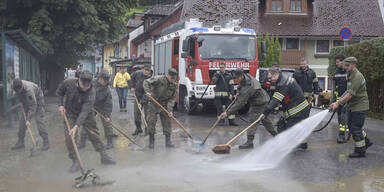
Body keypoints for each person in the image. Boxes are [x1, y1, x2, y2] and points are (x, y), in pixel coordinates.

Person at [56, 70, 116, 173]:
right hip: (70, 113)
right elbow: (60, 92)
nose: (85, 88)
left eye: (87, 86)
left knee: (94, 135)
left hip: (86, 114)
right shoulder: (69, 83)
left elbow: (85, 111)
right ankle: (75, 161)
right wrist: (60, 104)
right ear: (79, 80)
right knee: (70, 138)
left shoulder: (92, 92)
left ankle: (104, 156)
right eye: (83, 85)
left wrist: (76, 126)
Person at [220, 68, 277, 149]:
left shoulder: (248, 86)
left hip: (259, 103)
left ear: (241, 76)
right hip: (262, 100)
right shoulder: (246, 77)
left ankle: (249, 142)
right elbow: (241, 85)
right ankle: (276, 135)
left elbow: (240, 104)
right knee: (265, 120)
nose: (237, 79)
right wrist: (238, 93)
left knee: (252, 121)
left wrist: (227, 113)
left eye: (237, 78)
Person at [330, 57, 373, 158]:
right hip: (353, 106)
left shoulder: (357, 76)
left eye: (347, 65)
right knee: (351, 126)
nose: (345, 68)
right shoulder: (350, 74)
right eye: (345, 65)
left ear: (354, 65)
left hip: (360, 106)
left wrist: (338, 103)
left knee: (355, 128)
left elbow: (350, 95)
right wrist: (337, 101)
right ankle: (366, 141)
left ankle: (360, 151)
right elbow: (347, 91)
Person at [260, 68, 310, 150]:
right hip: (298, 108)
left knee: (289, 129)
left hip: (298, 110)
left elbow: (276, 100)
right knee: (281, 125)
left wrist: (265, 112)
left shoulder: (282, 83)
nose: (269, 80)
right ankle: (302, 144)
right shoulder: (282, 79)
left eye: (270, 78)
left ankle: (288, 147)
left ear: (276, 74)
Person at [78, 70, 115, 149]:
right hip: (91, 105)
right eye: (104, 80)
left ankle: (110, 142)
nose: (106, 82)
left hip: (102, 106)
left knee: (107, 123)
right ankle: (82, 142)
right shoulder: (91, 84)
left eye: (107, 80)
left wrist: (107, 115)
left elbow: (108, 103)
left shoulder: (107, 89)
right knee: (86, 122)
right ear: (100, 79)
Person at [143, 68, 177, 149]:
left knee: (167, 122)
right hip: (154, 103)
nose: (172, 80)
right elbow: (146, 82)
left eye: (174, 78)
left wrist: (170, 110)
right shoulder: (159, 79)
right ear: (167, 75)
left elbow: (172, 98)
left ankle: (168, 141)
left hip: (165, 104)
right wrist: (148, 92)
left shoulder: (174, 85)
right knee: (151, 121)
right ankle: (151, 141)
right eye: (171, 78)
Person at [11, 79, 49, 151]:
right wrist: (21, 101)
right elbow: (17, 94)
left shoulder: (29, 90)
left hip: (37, 100)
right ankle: (20, 142)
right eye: (17, 91)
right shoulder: (15, 86)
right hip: (25, 101)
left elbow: (33, 105)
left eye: (19, 90)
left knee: (39, 121)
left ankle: (46, 141)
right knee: (22, 122)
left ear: (22, 86)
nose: (17, 92)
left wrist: (28, 119)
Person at [129, 64, 152, 136]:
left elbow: (147, 93)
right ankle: (138, 129)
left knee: (147, 115)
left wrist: (141, 102)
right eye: (145, 70)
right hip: (137, 96)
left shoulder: (151, 79)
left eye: (148, 70)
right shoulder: (137, 73)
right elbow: (131, 78)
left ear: (150, 71)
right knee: (136, 114)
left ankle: (147, 130)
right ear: (143, 69)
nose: (146, 72)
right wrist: (132, 86)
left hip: (147, 98)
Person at [334, 55, 349, 143]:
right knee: (340, 117)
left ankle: (342, 135)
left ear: (343, 61)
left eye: (338, 62)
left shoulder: (348, 72)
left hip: (347, 99)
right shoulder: (336, 72)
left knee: (344, 116)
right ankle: (344, 132)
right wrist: (335, 100)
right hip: (339, 99)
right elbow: (336, 87)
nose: (336, 64)